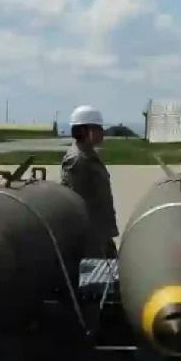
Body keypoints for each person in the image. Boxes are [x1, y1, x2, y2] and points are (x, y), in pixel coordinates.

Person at [61, 105, 118, 258]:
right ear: (84, 130)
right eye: (98, 128)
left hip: (100, 232)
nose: (102, 132)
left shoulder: (89, 154)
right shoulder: (77, 159)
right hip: (90, 238)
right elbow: (74, 202)